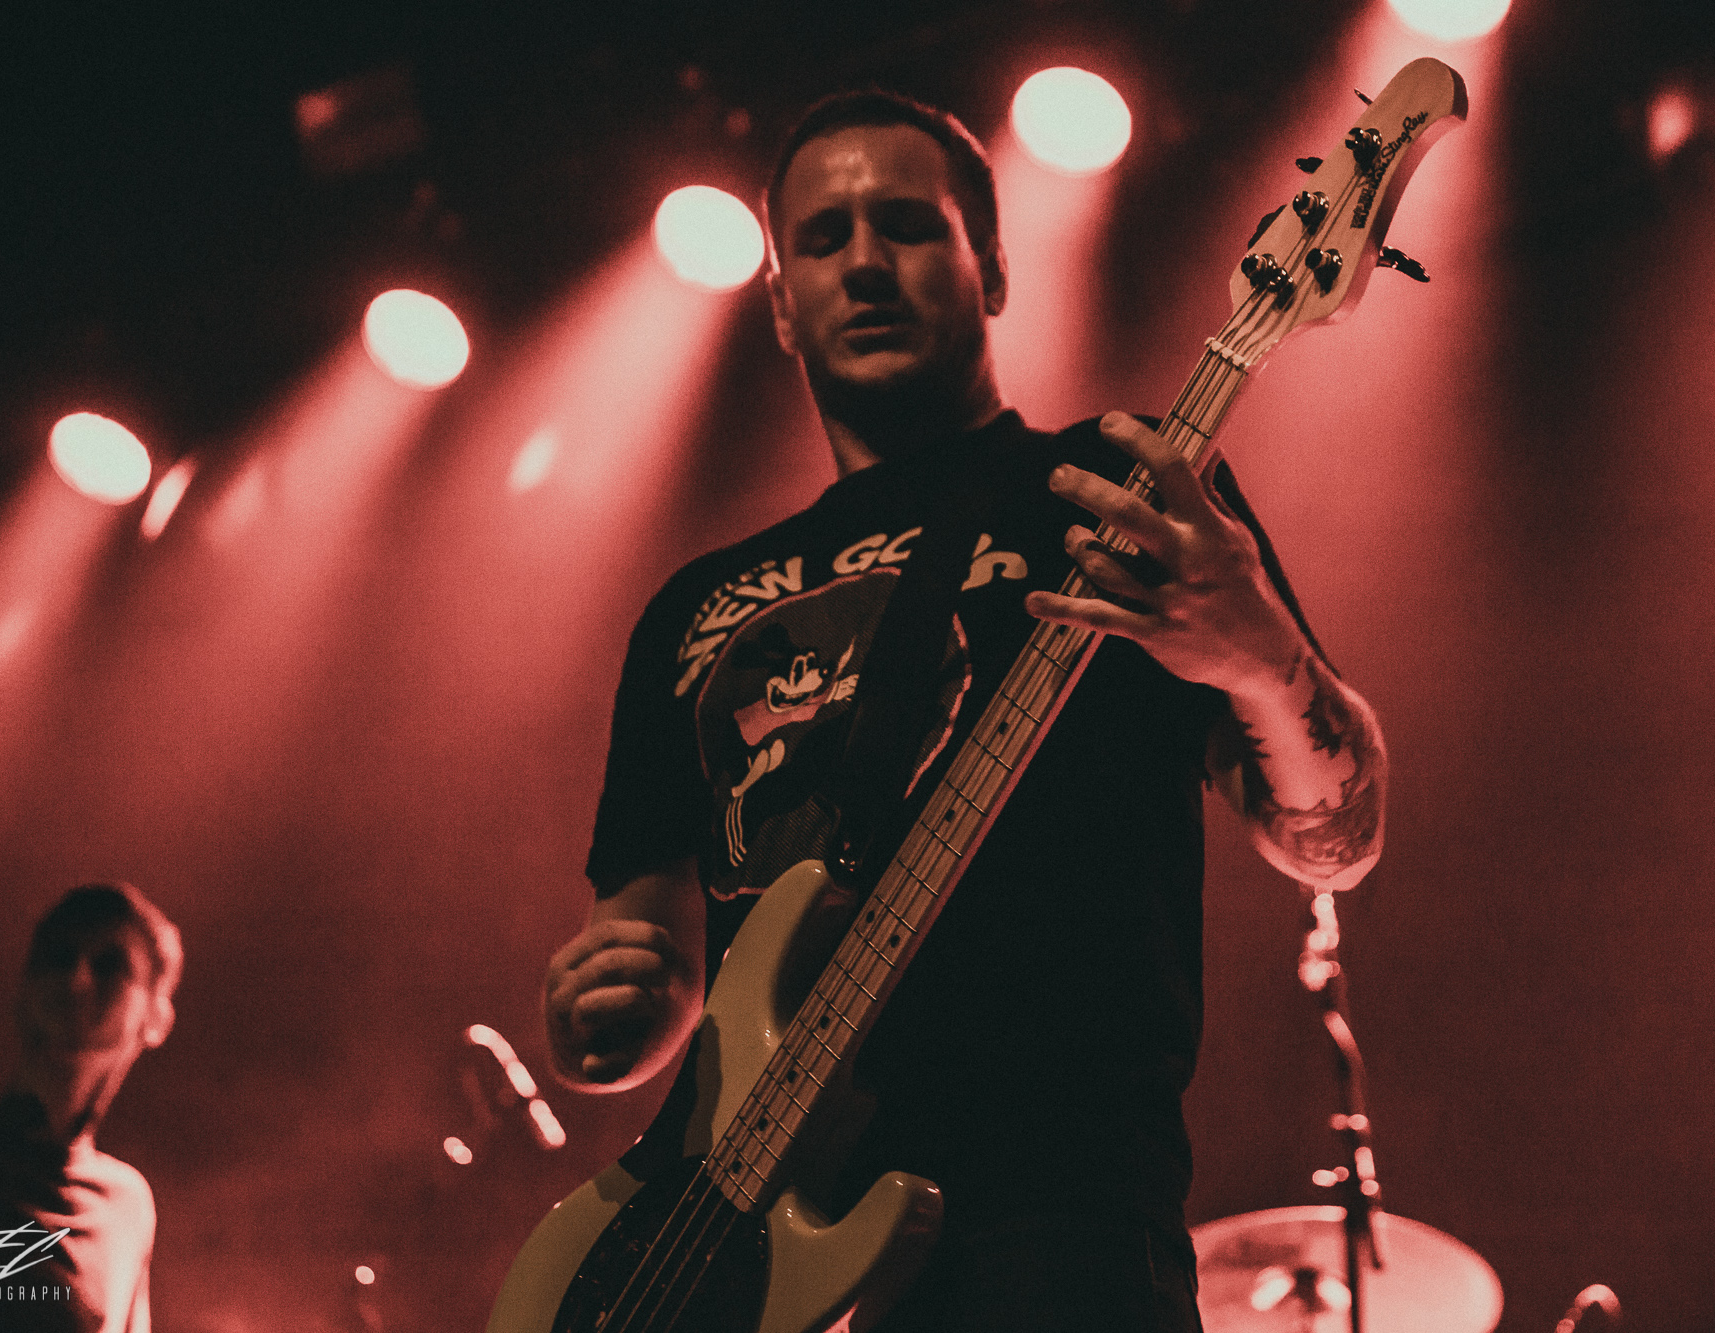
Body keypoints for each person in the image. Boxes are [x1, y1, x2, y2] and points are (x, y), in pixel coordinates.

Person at [543, 90, 1387, 1332]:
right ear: (778, 302)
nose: (863, 263)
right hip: (735, 1248)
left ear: (990, 267)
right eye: (822, 239)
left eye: (905, 225)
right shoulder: (691, 608)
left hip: (1052, 1223)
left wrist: (1258, 654)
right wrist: (599, 1017)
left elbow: (1336, 837)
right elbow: (645, 967)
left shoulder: (1117, 492)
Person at [0, 883, 182, 1332]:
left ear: (157, 1019)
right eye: (58, 958)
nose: (76, 979)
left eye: (109, 965)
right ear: (23, 991)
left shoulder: (128, 1206)